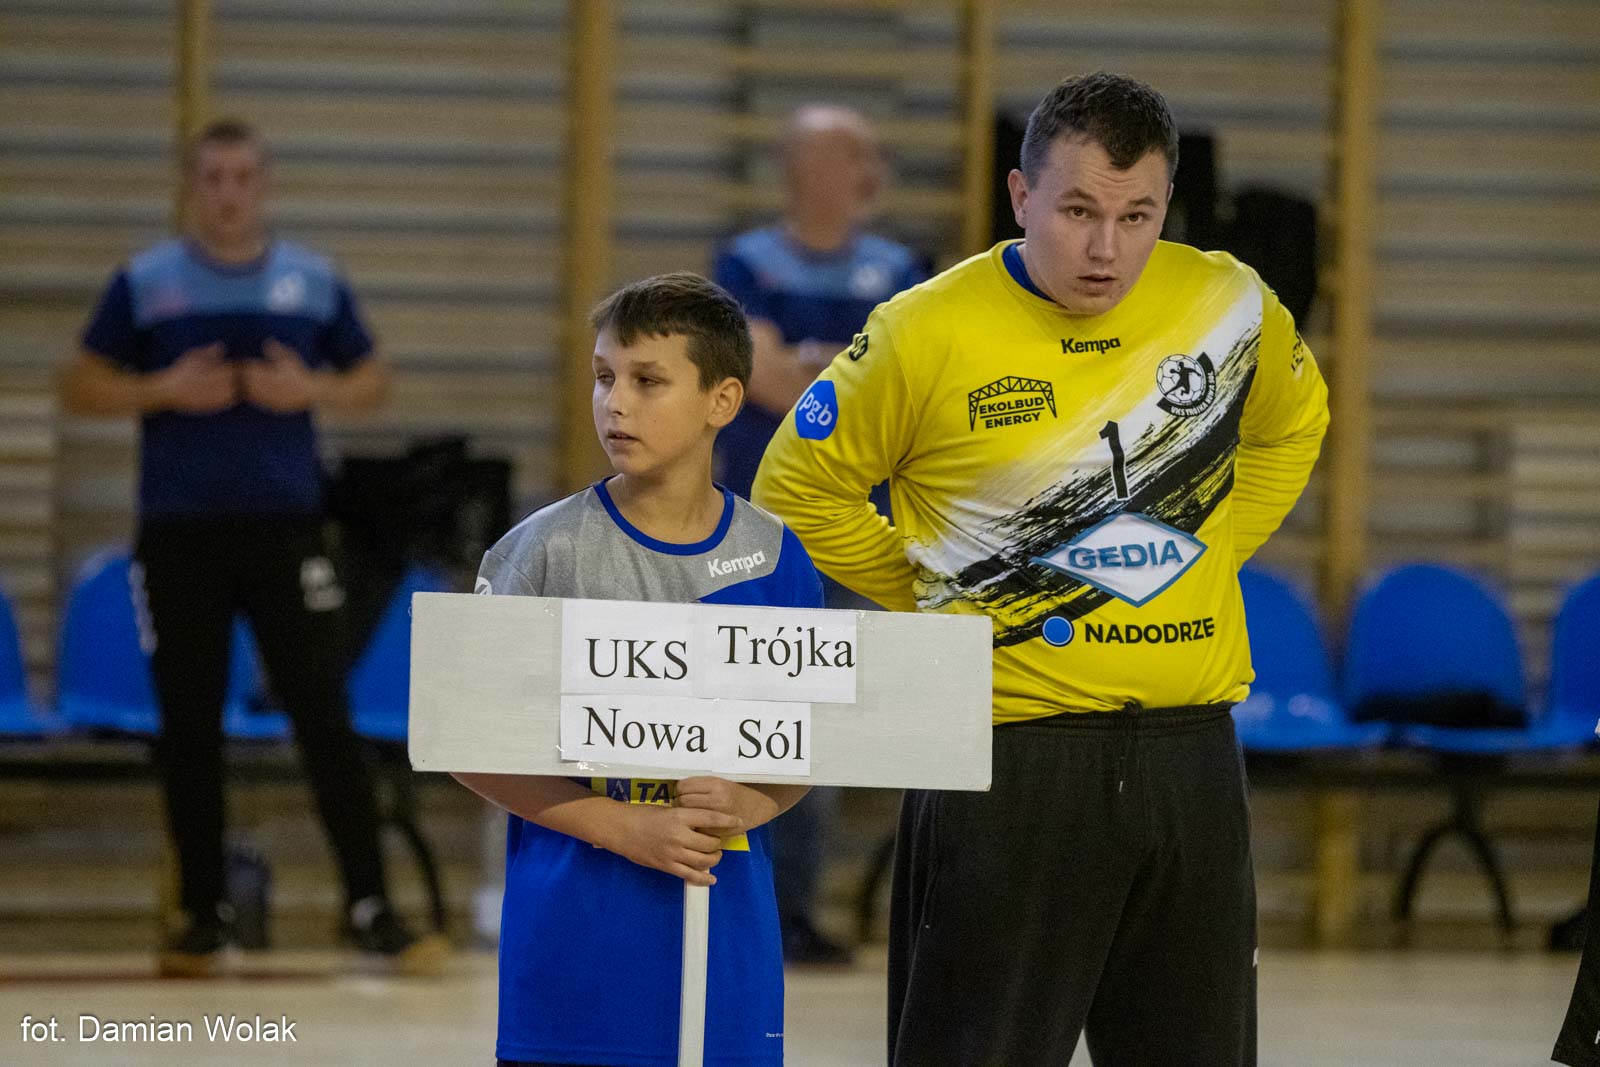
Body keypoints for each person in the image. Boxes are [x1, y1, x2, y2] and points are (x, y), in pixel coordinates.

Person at [754, 72, 1330, 1066]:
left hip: (1191, 759)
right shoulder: (923, 328)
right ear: (1021, 197)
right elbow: (799, 488)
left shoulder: (1229, 300)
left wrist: (1202, 553)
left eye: (1137, 216)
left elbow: (1294, 423)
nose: (1106, 248)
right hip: (1006, 759)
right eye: (1077, 211)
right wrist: (950, 593)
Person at [60, 119, 444, 977]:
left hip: (287, 531)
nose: (229, 194)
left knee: (325, 716)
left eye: (242, 177)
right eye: (213, 178)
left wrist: (310, 388)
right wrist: (163, 389)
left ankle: (371, 907)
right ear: (192, 187)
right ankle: (203, 915)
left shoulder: (311, 280)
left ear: (264, 184)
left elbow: (374, 379)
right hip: (179, 536)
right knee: (188, 725)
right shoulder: (147, 282)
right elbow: (79, 382)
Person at [456, 273, 821, 1066]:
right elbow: (469, 742)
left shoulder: (776, 557)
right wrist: (621, 825)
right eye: (603, 376)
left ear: (723, 400)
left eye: (648, 381)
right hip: (573, 963)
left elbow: (812, 742)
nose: (615, 403)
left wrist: (756, 799)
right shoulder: (541, 551)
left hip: (727, 961)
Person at [712, 104, 926, 965]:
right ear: (804, 167)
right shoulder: (747, 261)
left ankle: (794, 910)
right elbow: (759, 375)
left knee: (822, 725)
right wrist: (850, 373)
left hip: (862, 529)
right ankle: (740, 904)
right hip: (755, 524)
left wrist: (810, 362)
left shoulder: (900, 269)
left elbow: (910, 386)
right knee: (748, 715)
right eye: (852, 153)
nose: (871, 168)